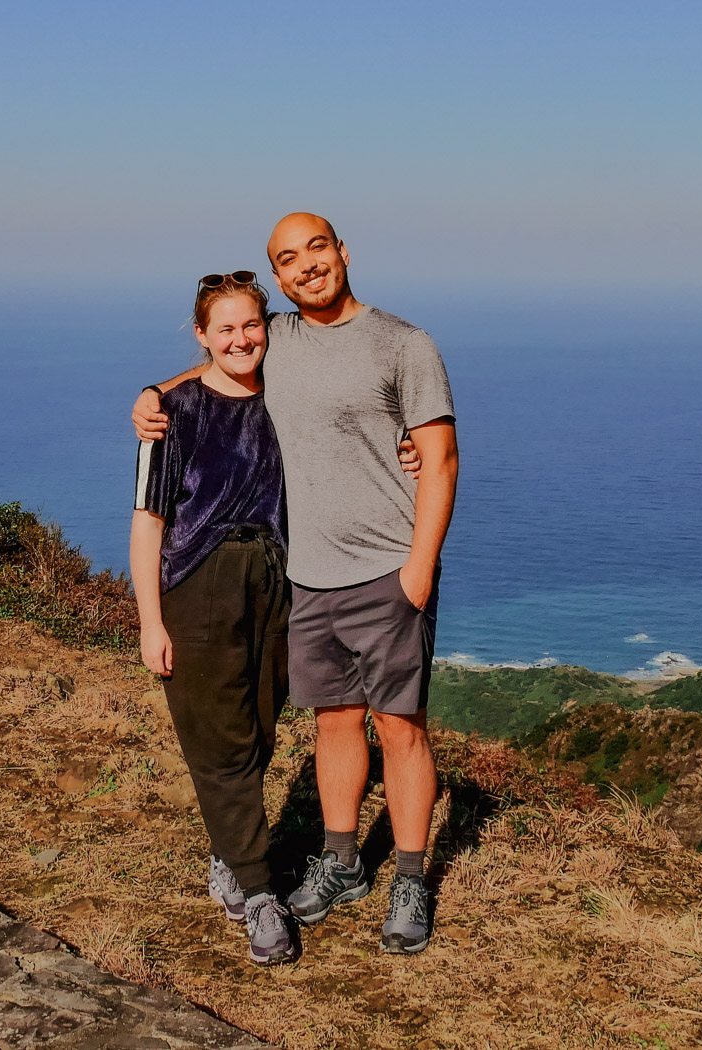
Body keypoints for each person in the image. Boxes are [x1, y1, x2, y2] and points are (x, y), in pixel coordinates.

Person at [134, 213, 459, 954]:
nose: (307, 265)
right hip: (305, 577)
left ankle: (410, 876)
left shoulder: (406, 344)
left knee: (401, 728)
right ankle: (341, 860)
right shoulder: (278, 336)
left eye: (318, 247)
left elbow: (439, 459)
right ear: (278, 279)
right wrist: (155, 394)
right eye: (289, 258)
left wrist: (418, 566)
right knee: (335, 723)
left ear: (343, 252)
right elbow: (223, 361)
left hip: (386, 569)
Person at [130, 271, 299, 965]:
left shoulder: (290, 395)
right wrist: (150, 621)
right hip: (197, 583)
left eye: (251, 326)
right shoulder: (173, 413)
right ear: (202, 335)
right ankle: (261, 893)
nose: (240, 339)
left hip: (278, 581)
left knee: (260, 728)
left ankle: (228, 854)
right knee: (219, 739)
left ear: (270, 328)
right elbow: (148, 520)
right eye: (223, 328)